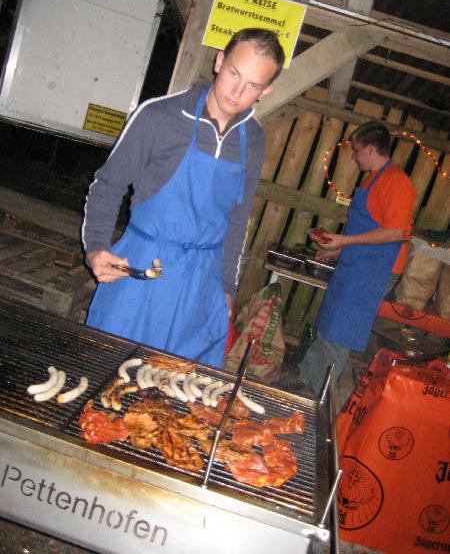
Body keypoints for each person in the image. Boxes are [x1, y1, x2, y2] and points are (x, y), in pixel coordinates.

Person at [82, 28, 285, 368]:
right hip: (141, 269)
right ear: (219, 62)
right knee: (109, 369)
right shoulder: (159, 116)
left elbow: (237, 218)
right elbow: (108, 185)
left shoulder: (253, 139)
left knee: (178, 386)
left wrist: (226, 286)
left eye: (252, 85)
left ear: (266, 90)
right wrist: (96, 248)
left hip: (201, 283)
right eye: (234, 73)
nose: (237, 91)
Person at [294, 121, 416, 396]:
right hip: (357, 263)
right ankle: (305, 380)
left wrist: (344, 242)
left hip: (376, 270)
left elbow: (395, 232)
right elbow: (367, 230)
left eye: (357, 149)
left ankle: (318, 395)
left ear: (371, 149)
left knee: (340, 331)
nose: (353, 155)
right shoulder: (373, 179)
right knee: (328, 323)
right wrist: (338, 249)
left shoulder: (397, 182)